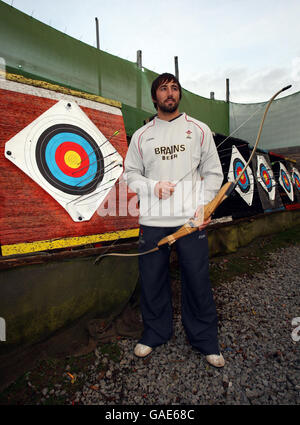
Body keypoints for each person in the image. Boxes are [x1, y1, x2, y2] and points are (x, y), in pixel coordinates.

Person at [124, 73, 225, 367]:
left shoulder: (199, 130)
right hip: (153, 220)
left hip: (190, 221)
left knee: (197, 278)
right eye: (163, 89)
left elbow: (213, 173)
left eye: (174, 88)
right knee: (153, 279)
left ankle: (205, 340)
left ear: (179, 95)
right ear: (155, 98)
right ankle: (155, 333)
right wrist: (153, 187)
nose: (170, 93)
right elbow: (130, 175)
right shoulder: (142, 136)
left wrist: (204, 208)